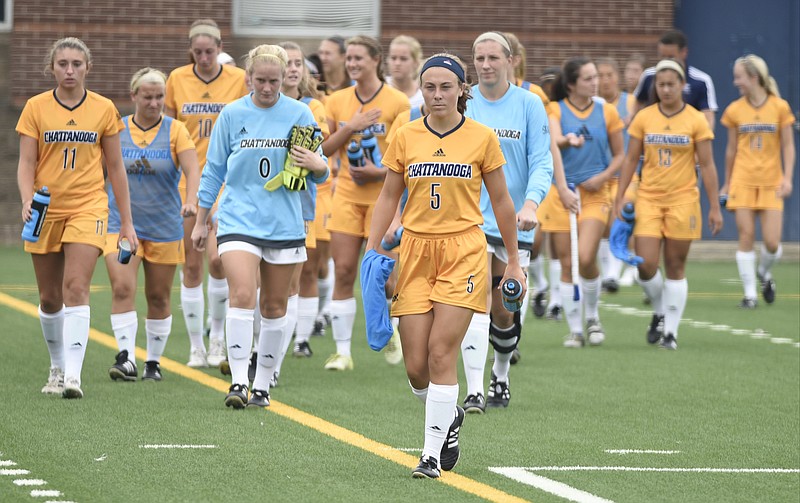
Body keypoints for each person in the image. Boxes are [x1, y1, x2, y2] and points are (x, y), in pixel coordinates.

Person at [366, 52, 526, 478]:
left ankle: (430, 455)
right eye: (429, 87)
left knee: (441, 353)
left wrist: (513, 261)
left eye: (445, 87)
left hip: (464, 252)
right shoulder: (405, 134)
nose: (437, 95)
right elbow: (387, 197)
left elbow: (502, 201)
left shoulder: (481, 137)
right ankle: (449, 417)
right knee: (416, 366)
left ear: (461, 90)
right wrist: (372, 249)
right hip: (415, 251)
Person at [192, 44, 329, 409]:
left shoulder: (300, 113)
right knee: (241, 294)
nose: (267, 88)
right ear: (248, 78)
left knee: (273, 306)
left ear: (285, 78)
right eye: (260, 80)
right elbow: (214, 170)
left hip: (285, 223)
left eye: (274, 81)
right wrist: (202, 221)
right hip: (238, 218)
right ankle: (238, 382)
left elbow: (321, 173)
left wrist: (317, 162)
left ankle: (263, 385)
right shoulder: (233, 114)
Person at [16, 37, 137, 398]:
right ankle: (56, 366)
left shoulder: (104, 109)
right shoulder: (35, 107)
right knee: (50, 297)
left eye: (76, 64)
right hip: (45, 208)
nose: (70, 70)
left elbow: (116, 167)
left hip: (89, 206)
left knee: (76, 288)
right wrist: (26, 199)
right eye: (63, 64)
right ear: (51, 68)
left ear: (88, 67)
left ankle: (73, 376)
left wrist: (127, 222)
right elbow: (26, 162)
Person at [459, 32, 554, 412]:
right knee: (476, 302)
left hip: (516, 223)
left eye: (493, 58)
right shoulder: (464, 102)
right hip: (469, 221)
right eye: (479, 58)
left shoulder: (530, 104)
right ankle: (475, 388)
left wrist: (530, 206)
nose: (485, 65)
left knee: (504, 308)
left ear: (510, 60)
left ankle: (500, 373)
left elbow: (542, 161)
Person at [615, 59, 723, 350]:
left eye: (670, 84)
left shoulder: (696, 119)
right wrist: (620, 196)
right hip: (649, 198)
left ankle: (670, 333)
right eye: (660, 85)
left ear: (681, 86)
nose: (665, 89)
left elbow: (708, 165)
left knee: (675, 265)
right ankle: (660, 309)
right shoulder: (644, 117)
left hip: (683, 200)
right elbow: (629, 160)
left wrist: (714, 206)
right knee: (645, 266)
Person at [104, 68, 200, 382]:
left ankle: (153, 362)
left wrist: (192, 200)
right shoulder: (116, 129)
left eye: (159, 97)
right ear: (133, 96)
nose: (154, 103)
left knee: (158, 296)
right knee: (122, 287)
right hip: (121, 224)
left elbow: (192, 167)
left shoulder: (176, 131)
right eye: (147, 97)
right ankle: (126, 357)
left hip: (164, 226)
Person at [321, 36, 409, 370]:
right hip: (345, 195)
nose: (353, 64)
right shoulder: (337, 101)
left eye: (359, 58)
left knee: (386, 277)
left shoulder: (397, 102)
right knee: (343, 270)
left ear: (376, 60)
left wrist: (377, 171)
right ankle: (343, 352)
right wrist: (351, 128)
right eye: (350, 59)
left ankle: (393, 332)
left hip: (383, 199)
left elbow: (406, 153)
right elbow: (325, 150)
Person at [165, 19, 249, 368]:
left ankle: (218, 338)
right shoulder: (176, 79)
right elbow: (167, 129)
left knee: (218, 260)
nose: (203, 57)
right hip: (190, 182)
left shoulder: (239, 79)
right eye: (197, 52)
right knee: (191, 263)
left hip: (229, 181)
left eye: (209, 51)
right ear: (191, 51)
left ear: (219, 48)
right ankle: (196, 345)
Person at [538, 56, 624, 348]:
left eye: (595, 77)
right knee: (566, 263)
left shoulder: (607, 111)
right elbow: (554, 138)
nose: (595, 82)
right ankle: (575, 329)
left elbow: (621, 155)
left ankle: (593, 316)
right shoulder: (555, 109)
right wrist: (566, 141)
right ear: (572, 84)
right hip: (562, 192)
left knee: (585, 257)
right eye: (588, 78)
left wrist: (603, 178)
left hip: (594, 193)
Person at [720, 55, 795, 308]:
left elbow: (788, 145)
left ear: (754, 78)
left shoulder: (779, 107)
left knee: (772, 244)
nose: (735, 81)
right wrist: (726, 182)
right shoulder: (734, 110)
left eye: (739, 76)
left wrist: (787, 178)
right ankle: (750, 294)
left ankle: (763, 273)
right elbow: (730, 150)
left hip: (771, 181)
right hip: (742, 180)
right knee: (746, 235)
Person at [596, 57, 636, 293]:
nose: (605, 80)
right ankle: (607, 273)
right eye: (600, 76)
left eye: (609, 75)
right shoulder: (595, 105)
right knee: (600, 223)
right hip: (600, 173)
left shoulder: (630, 102)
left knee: (619, 214)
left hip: (626, 174)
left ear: (617, 77)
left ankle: (614, 272)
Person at [631, 30, 717, 129]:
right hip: (654, 138)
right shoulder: (648, 76)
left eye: (671, 57)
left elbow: (708, 120)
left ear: (684, 52)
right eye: (662, 56)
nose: (666, 61)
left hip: (686, 138)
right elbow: (637, 106)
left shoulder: (701, 81)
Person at [387, 35, 424, 109]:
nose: (397, 63)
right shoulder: (378, 88)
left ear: (416, 62)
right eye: (393, 58)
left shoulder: (423, 97)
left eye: (403, 59)